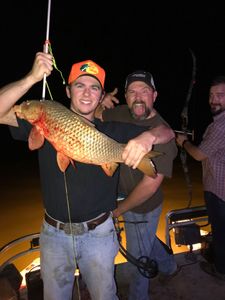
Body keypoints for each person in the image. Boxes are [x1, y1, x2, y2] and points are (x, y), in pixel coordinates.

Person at [0, 52, 175, 300]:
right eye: (79, 85)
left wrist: (148, 138)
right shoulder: (45, 119)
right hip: (53, 236)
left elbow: (166, 132)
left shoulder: (112, 129)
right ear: (68, 91)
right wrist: (30, 78)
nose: (86, 92)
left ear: (101, 96)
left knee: (105, 295)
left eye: (94, 88)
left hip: (99, 235)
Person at [99, 70, 178, 300]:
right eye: (132, 91)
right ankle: (170, 266)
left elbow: (149, 186)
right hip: (122, 198)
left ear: (155, 95)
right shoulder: (121, 113)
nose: (138, 97)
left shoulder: (163, 135)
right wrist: (100, 103)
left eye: (144, 91)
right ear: (125, 96)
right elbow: (93, 116)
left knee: (137, 261)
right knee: (144, 239)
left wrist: (117, 212)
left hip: (145, 205)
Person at [176, 75, 225, 281]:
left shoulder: (221, 126)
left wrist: (183, 142)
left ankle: (221, 271)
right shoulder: (217, 125)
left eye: (220, 95)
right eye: (211, 95)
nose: (214, 99)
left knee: (221, 234)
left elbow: (198, 154)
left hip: (219, 192)